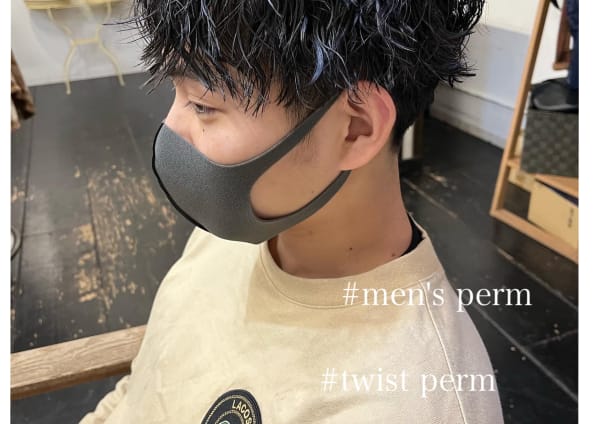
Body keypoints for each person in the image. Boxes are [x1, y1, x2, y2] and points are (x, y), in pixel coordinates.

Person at [81, 0, 503, 422]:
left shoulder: (410, 405)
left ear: (356, 129)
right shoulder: (240, 224)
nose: (170, 128)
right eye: (176, 92)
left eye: (202, 104)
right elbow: (142, 385)